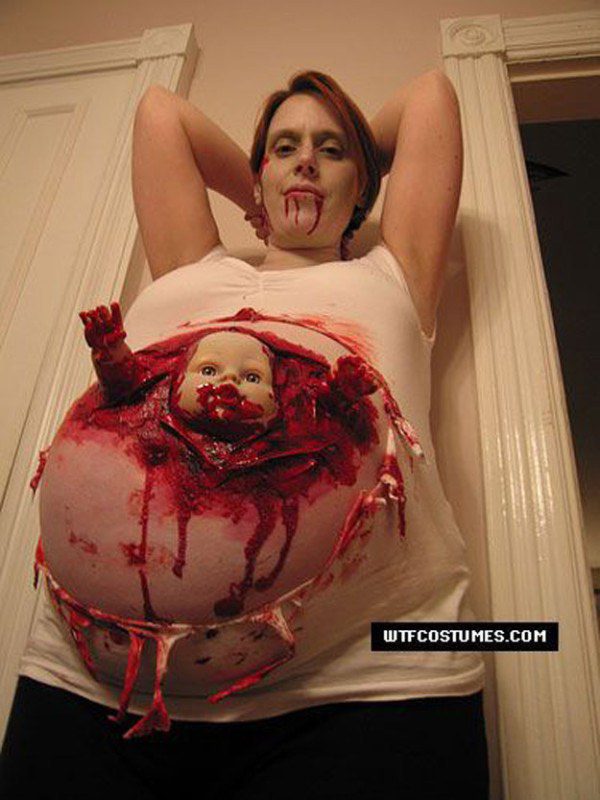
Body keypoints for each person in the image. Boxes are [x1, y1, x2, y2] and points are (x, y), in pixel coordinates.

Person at [0, 70, 489, 799]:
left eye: (331, 149)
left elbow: (430, 96)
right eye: (284, 148)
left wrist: (333, 164)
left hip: (365, 684)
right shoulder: (189, 268)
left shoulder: (394, 275)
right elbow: (160, 114)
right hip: (90, 689)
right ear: (258, 176)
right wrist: (264, 197)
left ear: (364, 184)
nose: (305, 159)